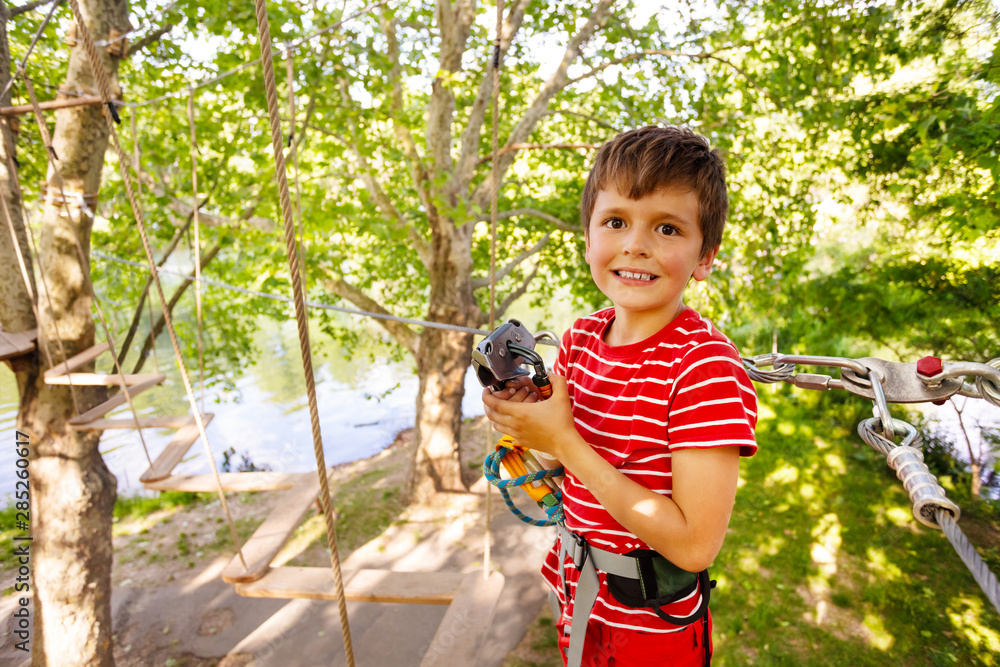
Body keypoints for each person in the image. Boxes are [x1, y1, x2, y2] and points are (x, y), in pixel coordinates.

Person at [482, 126, 758, 667]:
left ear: (704, 258)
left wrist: (565, 440)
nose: (635, 244)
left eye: (667, 228)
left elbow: (695, 545)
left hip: (651, 628)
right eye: (615, 222)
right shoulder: (582, 337)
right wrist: (531, 427)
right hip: (579, 589)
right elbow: (563, 465)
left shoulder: (704, 369)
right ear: (588, 237)